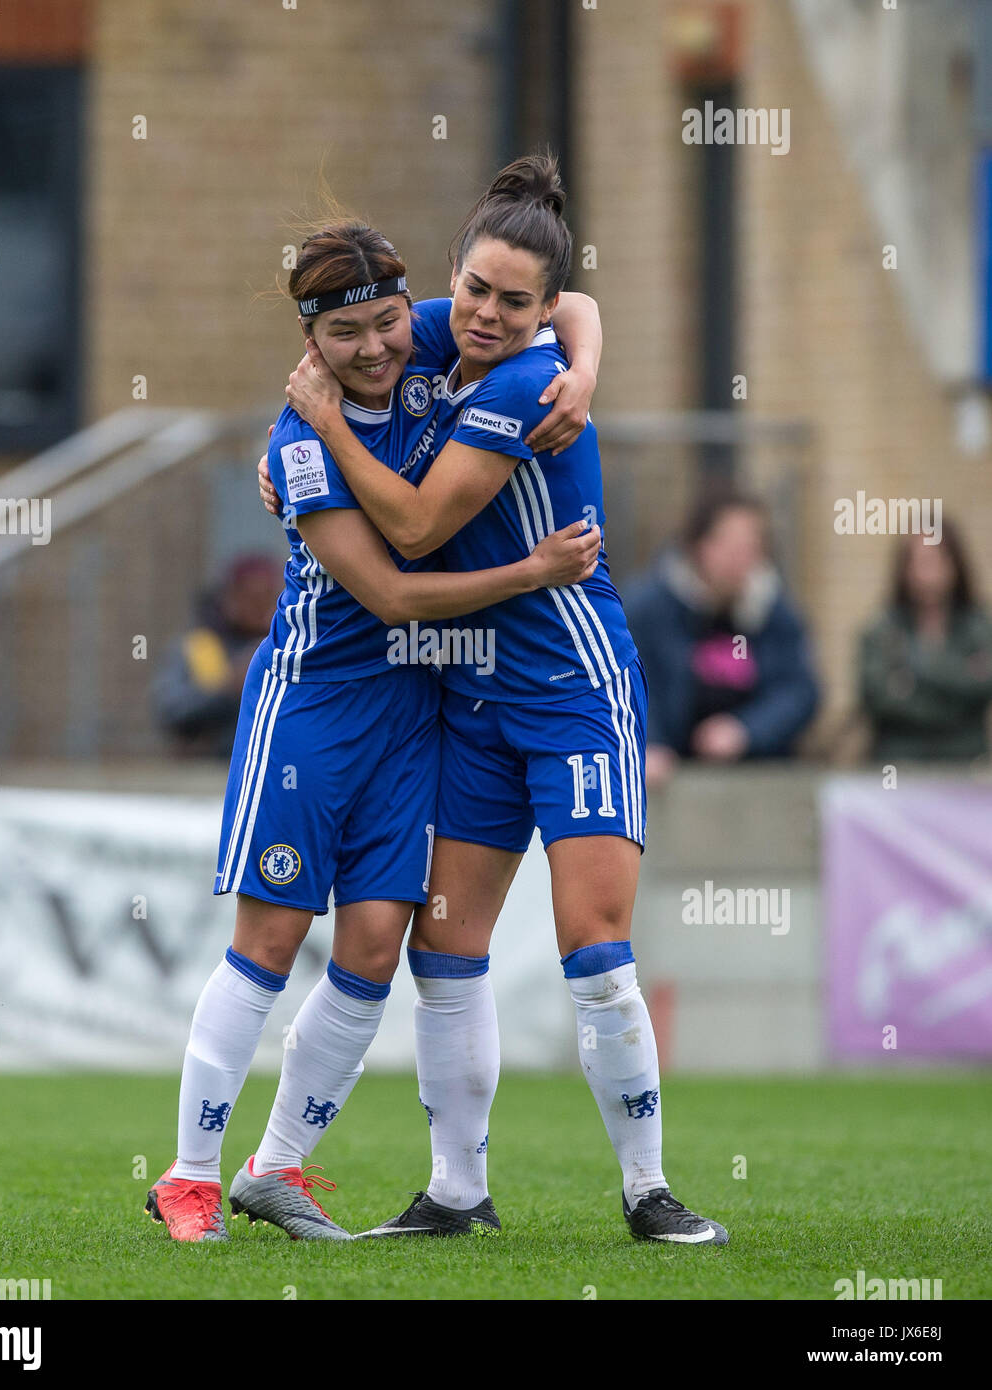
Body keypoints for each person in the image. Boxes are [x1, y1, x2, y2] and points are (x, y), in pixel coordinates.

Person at [282, 153, 728, 1245]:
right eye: (474, 288)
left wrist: (326, 437)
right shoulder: (441, 331)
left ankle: (647, 1189)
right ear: (451, 275)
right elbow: (560, 301)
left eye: (513, 302)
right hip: (469, 696)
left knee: (591, 942)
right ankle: (455, 1191)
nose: (485, 312)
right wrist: (287, 449)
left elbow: (419, 528)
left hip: (573, 686)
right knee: (445, 943)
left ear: (535, 318)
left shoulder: (528, 383)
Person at [145, 214, 603, 1243]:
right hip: (313, 707)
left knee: (371, 948)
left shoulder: (438, 336)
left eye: (389, 323)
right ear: (311, 343)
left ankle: (279, 1170)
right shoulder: (299, 440)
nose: (376, 348)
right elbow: (394, 592)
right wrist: (530, 573)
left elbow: (563, 300)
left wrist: (584, 371)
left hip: (412, 717)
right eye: (344, 334)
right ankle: (186, 1177)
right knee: (267, 943)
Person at [621, 492, 820, 789]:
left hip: (755, 782)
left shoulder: (777, 613)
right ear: (698, 545)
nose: (740, 558)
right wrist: (649, 744)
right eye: (728, 545)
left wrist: (747, 730)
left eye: (751, 547)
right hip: (665, 780)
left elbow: (800, 690)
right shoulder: (648, 609)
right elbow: (627, 684)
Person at [859, 519, 992, 762]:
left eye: (935, 561)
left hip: (965, 764)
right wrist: (958, 684)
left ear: (954, 564)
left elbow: (984, 686)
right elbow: (877, 697)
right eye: (918, 562)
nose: (926, 575)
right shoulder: (882, 629)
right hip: (899, 763)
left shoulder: (978, 627)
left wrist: (914, 674)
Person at [152, 554, 280, 758]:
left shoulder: (287, 649)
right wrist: (229, 686)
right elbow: (170, 710)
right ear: (230, 596)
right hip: (208, 773)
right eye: (252, 598)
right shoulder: (198, 645)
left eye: (268, 597)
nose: (261, 607)